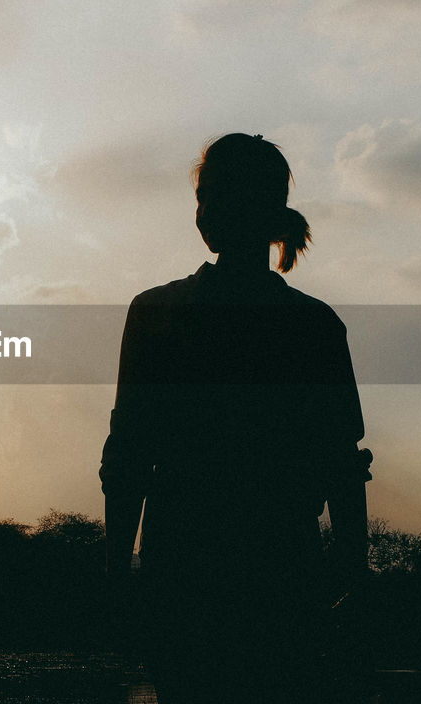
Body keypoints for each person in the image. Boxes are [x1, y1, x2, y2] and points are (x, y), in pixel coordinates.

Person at [100, 133, 372, 703]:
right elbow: (342, 466)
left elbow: (128, 457)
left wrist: (115, 574)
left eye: (213, 194)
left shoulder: (159, 313)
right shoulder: (313, 324)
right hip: (277, 579)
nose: (204, 208)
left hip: (191, 576)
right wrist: (351, 577)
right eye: (203, 194)